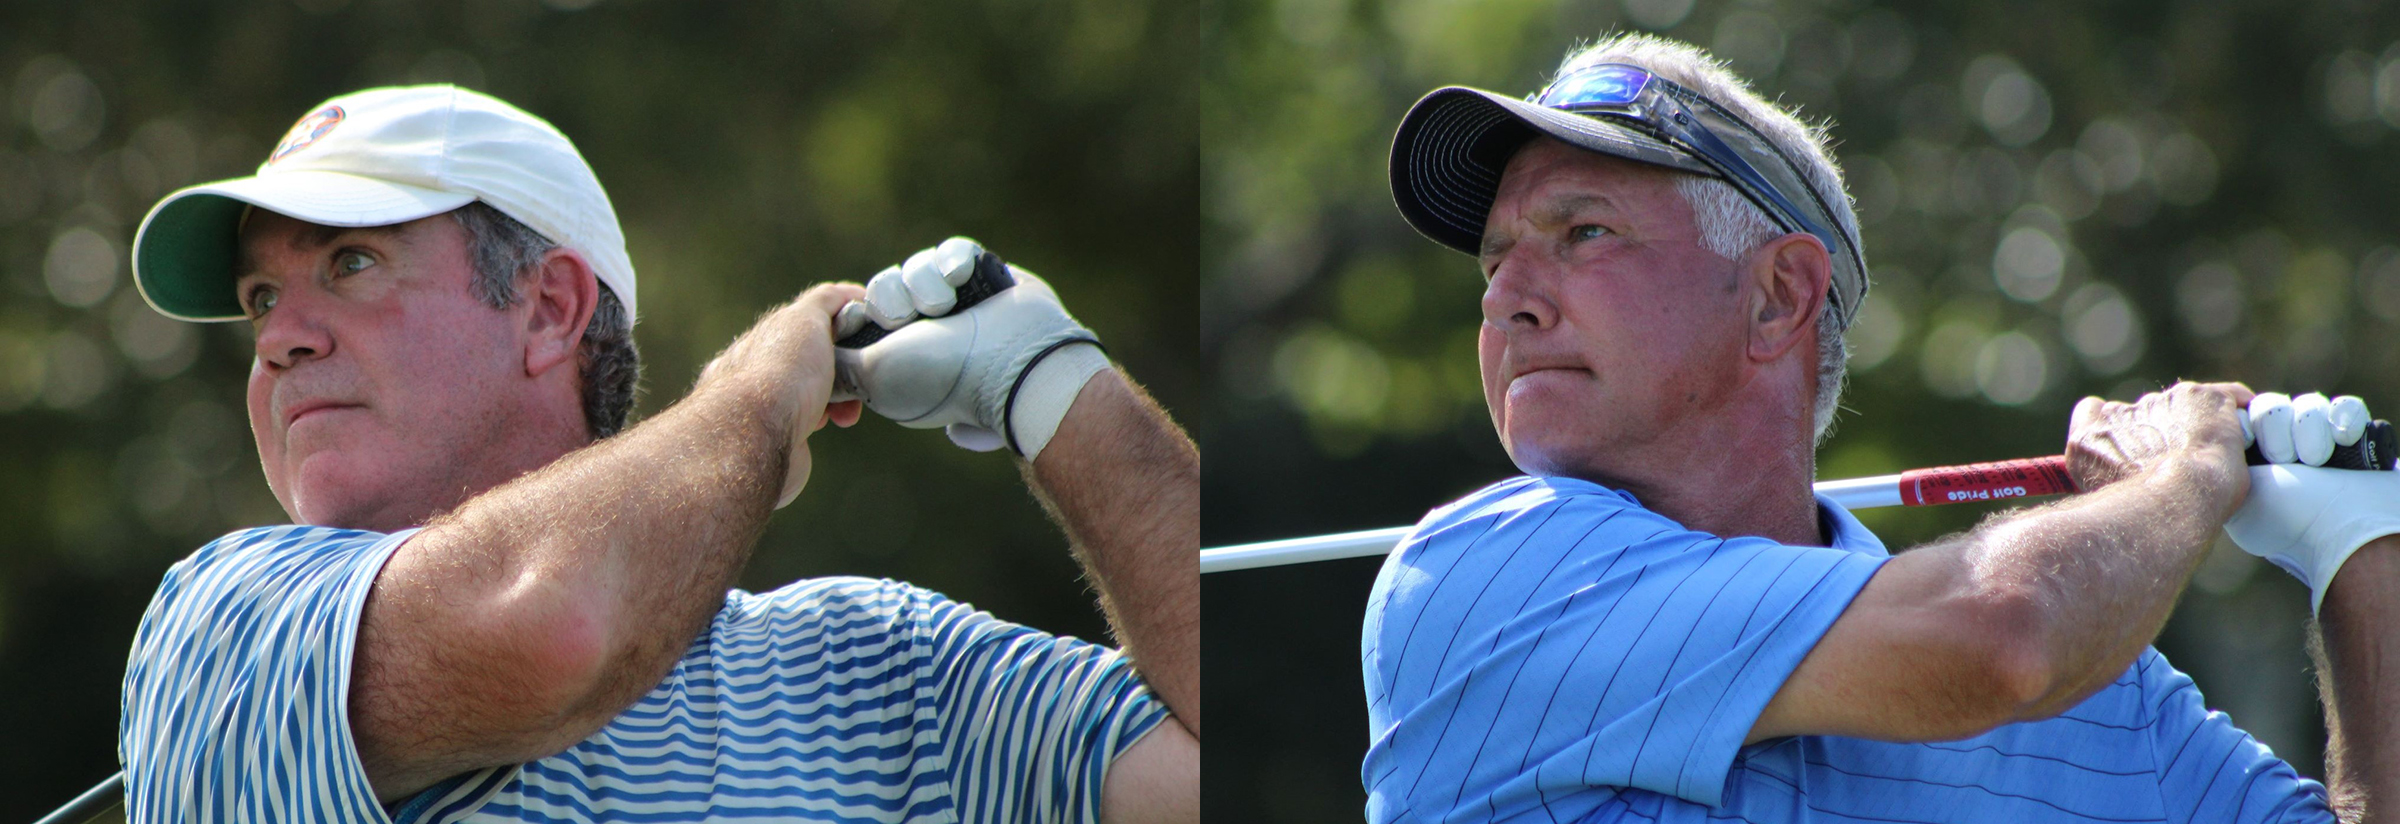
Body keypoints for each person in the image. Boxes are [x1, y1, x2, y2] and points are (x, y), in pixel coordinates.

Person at [1365, 33, 2400, 823]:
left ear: (1778, 297)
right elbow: (2001, 635)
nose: (1508, 300)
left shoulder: (2108, 688)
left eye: (1581, 233)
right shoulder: (1479, 575)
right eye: (1496, 260)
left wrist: (2361, 551)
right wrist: (2185, 477)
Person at [115, 84, 1197, 823]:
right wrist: (758, 394)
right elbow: (555, 626)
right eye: (262, 297)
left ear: (548, 308)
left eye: (347, 264)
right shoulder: (219, 621)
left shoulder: (879, 662)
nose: (278, 335)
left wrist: (1058, 388)